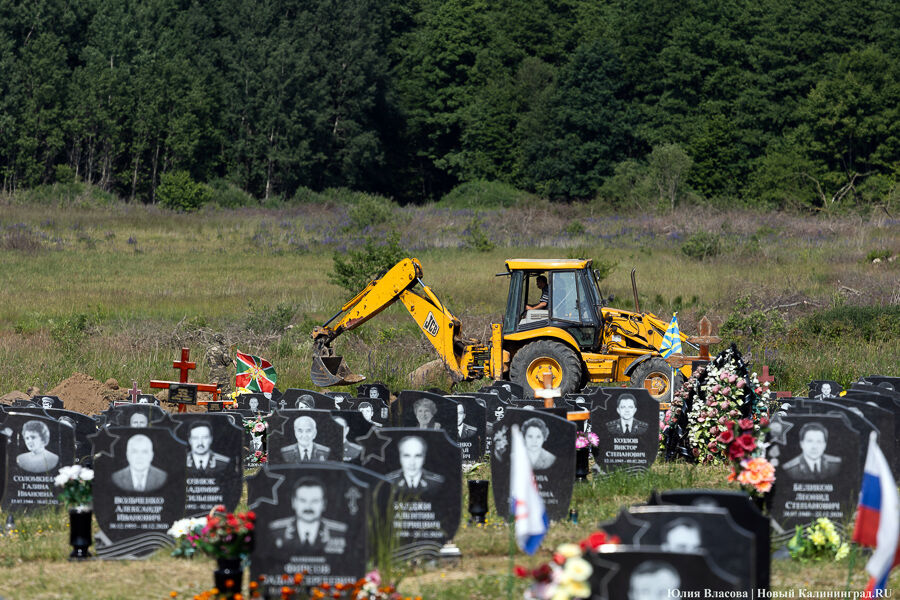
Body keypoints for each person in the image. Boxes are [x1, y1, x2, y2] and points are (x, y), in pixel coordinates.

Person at [271, 477, 347, 553]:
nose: (308, 506)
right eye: (303, 500)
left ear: (324, 504)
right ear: (293, 502)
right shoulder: (277, 532)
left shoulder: (339, 533)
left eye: (315, 501)